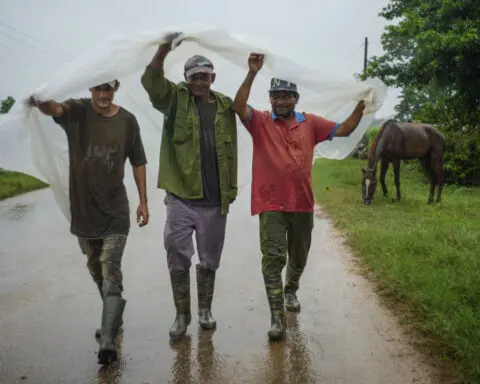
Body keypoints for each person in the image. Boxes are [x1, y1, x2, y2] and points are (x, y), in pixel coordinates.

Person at [232, 53, 367, 341]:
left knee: (299, 255)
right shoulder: (260, 121)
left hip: (302, 203)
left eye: (285, 96)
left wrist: (361, 105)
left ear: (295, 98)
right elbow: (238, 106)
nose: (279, 101)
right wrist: (252, 73)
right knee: (273, 257)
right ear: (269, 99)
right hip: (270, 203)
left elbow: (343, 129)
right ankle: (277, 317)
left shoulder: (310, 123)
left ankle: (291, 289)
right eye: (275, 96)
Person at [29, 79, 149, 364]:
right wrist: (37, 99)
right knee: (96, 270)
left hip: (115, 212)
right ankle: (113, 319)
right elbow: (54, 108)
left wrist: (143, 201)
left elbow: (139, 161)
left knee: (110, 271)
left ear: (116, 89)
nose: (104, 95)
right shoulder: (77, 111)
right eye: (98, 89)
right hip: (84, 212)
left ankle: (107, 341)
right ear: (90, 90)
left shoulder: (128, 121)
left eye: (108, 89)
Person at [140, 34, 238, 340]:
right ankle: (182, 314)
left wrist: (252, 72)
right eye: (194, 77)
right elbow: (152, 81)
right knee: (177, 252)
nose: (199, 82)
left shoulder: (225, 105)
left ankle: (205, 310)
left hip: (215, 199)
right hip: (181, 196)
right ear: (186, 79)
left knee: (209, 258)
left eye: (204, 76)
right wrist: (163, 48)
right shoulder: (175, 99)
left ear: (213, 77)